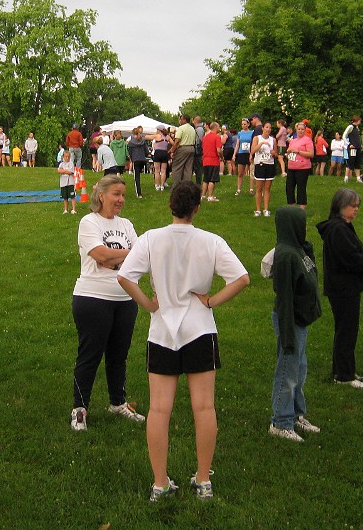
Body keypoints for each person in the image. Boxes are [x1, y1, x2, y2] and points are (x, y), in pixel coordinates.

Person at [118, 181, 250, 502]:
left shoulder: (151, 238)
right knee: (204, 407)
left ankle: (160, 483)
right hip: (199, 329)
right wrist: (211, 301)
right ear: (197, 209)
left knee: (159, 410)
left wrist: (149, 305)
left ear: (170, 206)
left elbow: (124, 276)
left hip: (162, 330)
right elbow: (242, 279)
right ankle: (203, 479)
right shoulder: (211, 241)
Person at [70, 175, 144, 432]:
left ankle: (118, 402)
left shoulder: (126, 224)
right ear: (101, 195)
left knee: (118, 356)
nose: (121, 200)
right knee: (89, 356)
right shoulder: (88, 222)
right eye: (116, 194)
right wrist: (125, 256)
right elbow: (100, 255)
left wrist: (114, 259)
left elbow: (141, 257)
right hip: (92, 298)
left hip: (125, 299)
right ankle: (80, 409)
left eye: (123, 195)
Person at [316, 189, 363, 389]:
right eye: (352, 206)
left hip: (343, 287)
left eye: (357, 206)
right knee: (347, 331)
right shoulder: (338, 230)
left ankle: (343, 370)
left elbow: (352, 254)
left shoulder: (342, 227)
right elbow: (349, 258)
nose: (356, 210)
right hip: (343, 288)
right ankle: (344, 375)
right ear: (341, 206)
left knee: (345, 330)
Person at [269, 205, 323, 442]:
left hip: (300, 319)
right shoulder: (285, 256)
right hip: (290, 320)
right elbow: (284, 299)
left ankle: (296, 414)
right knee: (288, 370)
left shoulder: (298, 250)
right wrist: (288, 334)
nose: (306, 228)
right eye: (302, 224)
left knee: (299, 369)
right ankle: (281, 422)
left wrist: (307, 247)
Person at [285, 122, 314, 209]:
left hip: (303, 168)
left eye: (302, 129)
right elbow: (289, 151)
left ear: (305, 130)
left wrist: (298, 151)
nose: (300, 131)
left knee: (301, 188)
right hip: (291, 167)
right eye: (299, 129)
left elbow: (311, 154)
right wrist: (288, 154)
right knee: (289, 188)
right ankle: (292, 207)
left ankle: (301, 209)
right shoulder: (293, 140)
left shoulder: (307, 140)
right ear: (296, 130)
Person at [250, 121, 277, 217]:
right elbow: (252, 151)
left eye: (270, 128)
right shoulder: (257, 138)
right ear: (263, 128)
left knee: (267, 188)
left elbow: (276, 154)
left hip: (270, 164)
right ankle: (258, 210)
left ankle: (266, 209)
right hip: (260, 164)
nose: (268, 129)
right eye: (266, 127)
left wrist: (274, 153)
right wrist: (261, 144)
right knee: (259, 188)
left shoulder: (273, 140)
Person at [169, 114, 196, 187]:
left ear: (184, 120)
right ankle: (187, 187)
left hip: (182, 148)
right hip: (191, 148)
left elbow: (177, 141)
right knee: (188, 169)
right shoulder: (192, 129)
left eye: (180, 119)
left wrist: (172, 151)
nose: (179, 121)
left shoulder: (181, 128)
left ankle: (176, 187)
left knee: (177, 168)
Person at [200, 121, 222, 202]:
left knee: (206, 179)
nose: (219, 128)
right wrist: (222, 157)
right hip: (214, 160)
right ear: (215, 127)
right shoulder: (217, 137)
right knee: (212, 179)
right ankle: (210, 196)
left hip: (205, 160)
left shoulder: (205, 137)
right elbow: (218, 150)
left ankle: (203, 195)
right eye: (218, 127)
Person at [127, 127, 150, 199]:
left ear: (133, 134)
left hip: (136, 159)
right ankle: (139, 193)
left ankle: (139, 193)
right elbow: (146, 151)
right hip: (142, 159)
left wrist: (131, 158)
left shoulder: (131, 143)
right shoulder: (143, 141)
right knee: (139, 173)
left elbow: (130, 152)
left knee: (137, 177)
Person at [233, 118, 254, 195]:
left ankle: (251, 189)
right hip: (241, 153)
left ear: (248, 124)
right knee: (240, 173)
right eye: (242, 124)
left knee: (251, 172)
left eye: (245, 124)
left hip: (249, 153)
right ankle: (239, 189)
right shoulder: (240, 133)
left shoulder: (252, 132)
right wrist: (234, 154)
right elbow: (238, 144)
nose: (243, 126)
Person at [58, 149, 77, 214]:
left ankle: (74, 209)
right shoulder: (61, 164)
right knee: (65, 197)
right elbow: (59, 171)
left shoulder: (71, 163)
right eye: (66, 156)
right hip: (63, 183)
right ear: (63, 157)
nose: (67, 158)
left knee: (72, 196)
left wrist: (64, 171)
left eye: (68, 157)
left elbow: (70, 172)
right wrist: (65, 171)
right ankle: (66, 209)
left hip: (70, 183)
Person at [152, 126, 170, 190]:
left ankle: (157, 185)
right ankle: (162, 185)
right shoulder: (167, 137)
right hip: (164, 153)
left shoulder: (157, 137)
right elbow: (172, 143)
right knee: (163, 171)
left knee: (157, 171)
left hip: (157, 153)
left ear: (159, 130)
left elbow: (154, 147)